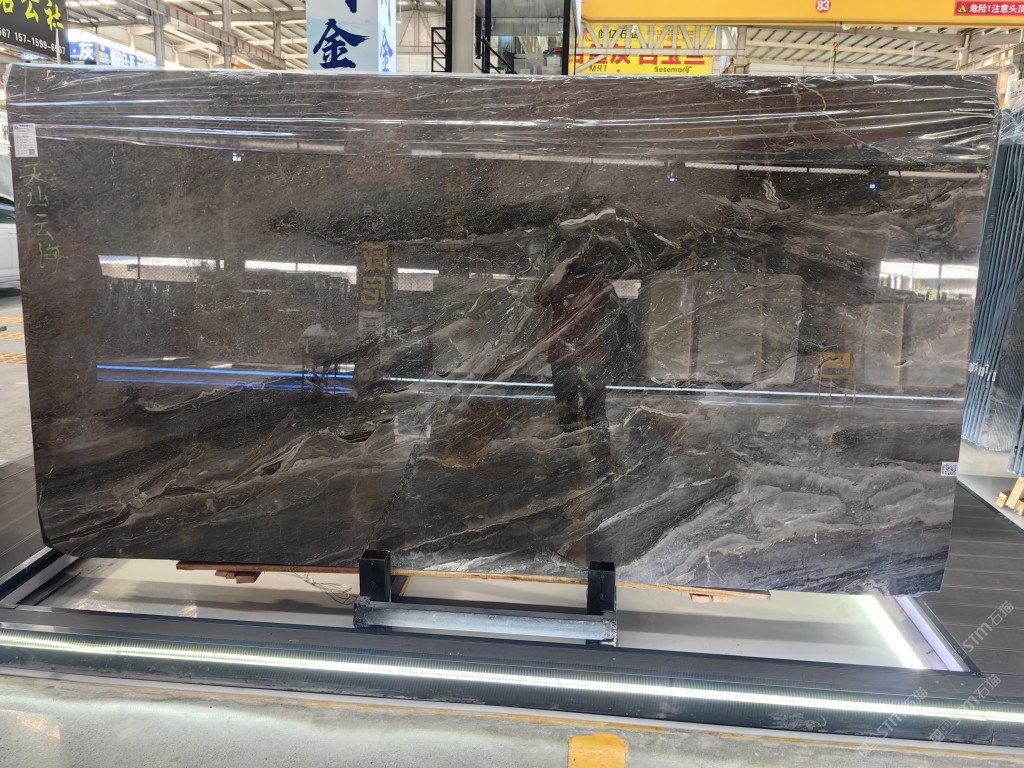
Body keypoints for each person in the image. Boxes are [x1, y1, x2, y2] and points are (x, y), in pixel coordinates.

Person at [536, 236, 616, 434]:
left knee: (573, 415)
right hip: (583, 355)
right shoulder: (596, 283)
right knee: (591, 415)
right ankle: (596, 451)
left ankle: (575, 450)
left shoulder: (566, 284)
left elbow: (539, 297)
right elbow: (540, 298)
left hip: (571, 355)